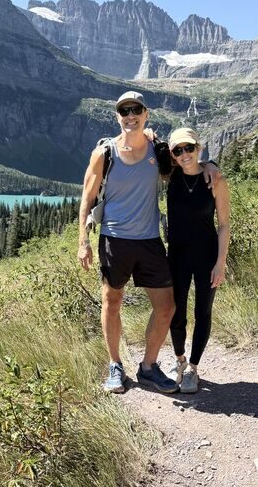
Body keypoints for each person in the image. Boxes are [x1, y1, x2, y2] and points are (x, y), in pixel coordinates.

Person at [77, 91, 217, 394]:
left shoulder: (158, 150)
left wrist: (209, 166)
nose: (130, 116)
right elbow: (87, 198)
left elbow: (186, 162)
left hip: (150, 241)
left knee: (166, 307)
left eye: (136, 110)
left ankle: (148, 366)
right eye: (124, 111)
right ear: (118, 117)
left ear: (145, 114)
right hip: (114, 239)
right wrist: (83, 242)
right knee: (111, 301)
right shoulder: (105, 153)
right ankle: (116, 365)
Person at [164, 127, 230, 393]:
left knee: (202, 312)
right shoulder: (170, 175)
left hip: (207, 255)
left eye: (189, 148)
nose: (184, 154)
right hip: (177, 255)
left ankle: (193, 368)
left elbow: (224, 224)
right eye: (178, 150)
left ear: (198, 148)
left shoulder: (214, 179)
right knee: (175, 311)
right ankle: (178, 360)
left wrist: (221, 262)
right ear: (173, 154)